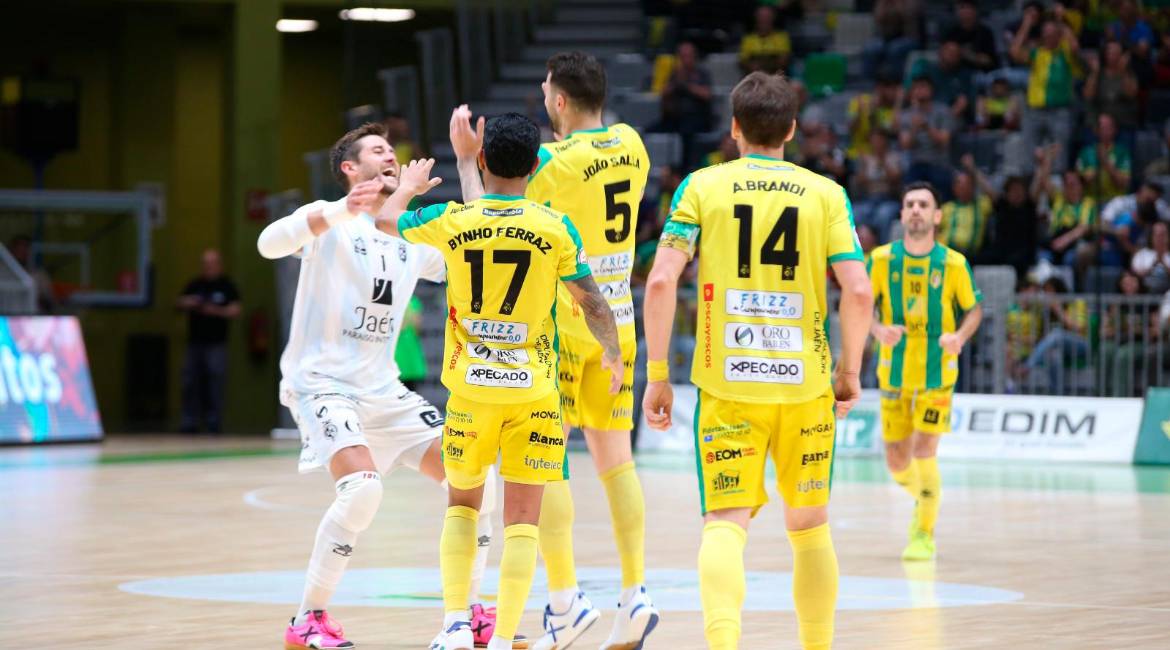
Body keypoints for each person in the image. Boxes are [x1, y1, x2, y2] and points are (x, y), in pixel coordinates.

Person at [643, 71, 874, 650]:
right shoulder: (826, 194)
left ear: (734, 128)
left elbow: (661, 281)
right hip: (806, 388)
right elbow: (860, 290)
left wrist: (658, 375)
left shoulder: (701, 186)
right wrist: (848, 373)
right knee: (810, 526)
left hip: (728, 385)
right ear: (792, 129)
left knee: (725, 524)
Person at [379, 113, 624, 650]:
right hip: (534, 393)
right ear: (537, 166)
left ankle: (454, 626)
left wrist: (410, 187)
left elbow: (385, 220)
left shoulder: (454, 219)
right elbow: (592, 302)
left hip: (470, 392)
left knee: (463, 505)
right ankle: (507, 634)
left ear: (485, 161)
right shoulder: (555, 227)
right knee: (521, 522)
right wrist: (613, 355)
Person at [255, 120, 497, 649]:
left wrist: (465, 165)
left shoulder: (409, 236)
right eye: (378, 150)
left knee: (479, 479)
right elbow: (268, 243)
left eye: (393, 151)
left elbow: (477, 249)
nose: (392, 157)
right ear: (350, 168)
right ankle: (308, 619)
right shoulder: (329, 220)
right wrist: (342, 209)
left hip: (385, 393)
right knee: (363, 490)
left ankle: (471, 607)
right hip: (323, 385)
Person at [519, 51, 659, 650]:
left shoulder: (552, 161)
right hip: (620, 323)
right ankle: (635, 593)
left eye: (547, 93)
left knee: (546, 460)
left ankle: (565, 600)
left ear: (559, 101)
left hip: (565, 322)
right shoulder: (633, 145)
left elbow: (506, 208)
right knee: (616, 461)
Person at [869, 181, 984, 562]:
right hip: (894, 375)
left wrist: (959, 337)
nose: (916, 210)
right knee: (896, 462)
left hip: (938, 375)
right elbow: (858, 305)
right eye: (909, 204)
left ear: (937, 216)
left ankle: (923, 532)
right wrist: (876, 329)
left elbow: (974, 310)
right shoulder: (882, 260)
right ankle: (925, 497)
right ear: (902, 215)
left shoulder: (953, 263)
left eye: (923, 205)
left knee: (923, 451)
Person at [176, 248, 241, 434]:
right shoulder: (195, 284)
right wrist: (190, 302)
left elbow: (236, 310)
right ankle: (190, 421)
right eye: (206, 263)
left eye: (212, 263)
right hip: (194, 343)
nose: (209, 267)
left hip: (217, 344)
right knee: (190, 381)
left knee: (215, 382)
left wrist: (216, 311)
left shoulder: (227, 286)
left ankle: (214, 422)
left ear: (219, 265)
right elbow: (178, 302)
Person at [1011, 14, 1081, 173]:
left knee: (1059, 156)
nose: (1048, 36)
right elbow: (1015, 51)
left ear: (1059, 35)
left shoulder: (1065, 51)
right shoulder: (1037, 53)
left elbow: (1075, 46)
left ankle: (1056, 187)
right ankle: (1030, 185)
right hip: (1035, 110)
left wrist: (1061, 22)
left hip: (1059, 111)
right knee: (1028, 154)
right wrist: (1027, 24)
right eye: (1045, 33)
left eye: (1052, 33)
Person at [937, 155, 994, 259]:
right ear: (954, 188)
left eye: (968, 184)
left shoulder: (982, 205)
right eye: (960, 185)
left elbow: (993, 196)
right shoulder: (946, 208)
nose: (964, 188)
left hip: (971, 257)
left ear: (973, 187)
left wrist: (974, 170)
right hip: (946, 255)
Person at [1076, 112, 1132, 203]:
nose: (1104, 131)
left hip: (1115, 201)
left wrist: (1106, 162)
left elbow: (1124, 183)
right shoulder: (1086, 152)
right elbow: (1079, 183)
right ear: (1095, 130)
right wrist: (1087, 177)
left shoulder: (1122, 152)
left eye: (1108, 127)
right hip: (1090, 201)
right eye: (1101, 127)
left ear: (1115, 129)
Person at [739, 5, 791, 74]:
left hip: (776, 77)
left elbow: (783, 62)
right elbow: (743, 61)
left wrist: (760, 65)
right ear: (756, 18)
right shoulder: (748, 39)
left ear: (773, 18)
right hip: (754, 77)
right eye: (761, 16)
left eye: (767, 16)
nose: (764, 19)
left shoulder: (782, 37)